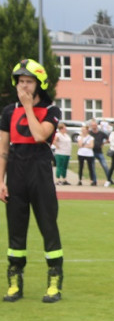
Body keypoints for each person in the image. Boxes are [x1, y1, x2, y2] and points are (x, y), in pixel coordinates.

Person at [0, 59, 66, 303]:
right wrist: (1, 181)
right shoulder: (8, 111)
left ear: (39, 84)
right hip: (16, 173)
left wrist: (28, 107)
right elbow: (3, 149)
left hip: (40, 172)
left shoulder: (51, 111)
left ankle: (54, 281)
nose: (23, 86)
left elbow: (39, 135)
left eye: (29, 81)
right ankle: (14, 282)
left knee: (48, 227)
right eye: (20, 81)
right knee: (16, 230)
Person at [89, 120, 112, 186]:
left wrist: (104, 143)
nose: (94, 127)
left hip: (99, 152)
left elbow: (108, 138)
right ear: (91, 126)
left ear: (97, 125)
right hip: (91, 152)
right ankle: (94, 181)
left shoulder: (101, 133)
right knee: (92, 167)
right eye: (92, 125)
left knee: (105, 166)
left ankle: (109, 179)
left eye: (95, 125)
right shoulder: (89, 133)